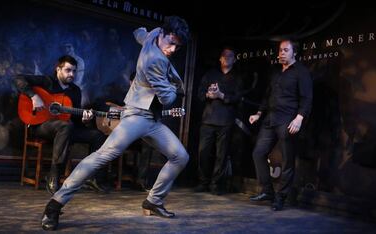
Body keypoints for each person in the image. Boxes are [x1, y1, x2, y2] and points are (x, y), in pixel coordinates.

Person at [40, 15, 190, 230]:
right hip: (137, 116)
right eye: (172, 43)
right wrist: (176, 88)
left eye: (178, 45)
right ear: (165, 35)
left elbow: (141, 33)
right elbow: (168, 99)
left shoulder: (156, 33)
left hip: (152, 119)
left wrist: (142, 35)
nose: (173, 49)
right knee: (102, 156)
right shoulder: (153, 61)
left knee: (180, 156)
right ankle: (54, 205)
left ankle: (153, 200)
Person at [13, 55, 109, 195]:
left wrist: (84, 120)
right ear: (58, 69)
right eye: (68, 70)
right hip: (40, 126)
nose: (72, 74)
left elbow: (74, 119)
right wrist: (34, 96)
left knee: (98, 135)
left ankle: (94, 178)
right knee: (65, 126)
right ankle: (54, 175)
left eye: (74, 71)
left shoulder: (75, 91)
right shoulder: (47, 82)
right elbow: (18, 79)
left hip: (65, 129)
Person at [248, 39, 313, 211]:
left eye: (285, 50)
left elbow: (307, 98)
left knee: (287, 161)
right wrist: (259, 113)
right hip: (270, 118)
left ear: (294, 52)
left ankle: (281, 197)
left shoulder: (301, 72)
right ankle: (267, 191)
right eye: (280, 50)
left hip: (288, 119)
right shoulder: (276, 71)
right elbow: (267, 95)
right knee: (258, 153)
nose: (281, 53)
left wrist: (299, 118)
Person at [194, 47, 243, 195]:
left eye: (230, 56)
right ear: (220, 58)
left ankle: (216, 184)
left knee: (221, 155)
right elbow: (200, 93)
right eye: (224, 56)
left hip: (226, 120)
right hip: (208, 119)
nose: (226, 58)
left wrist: (221, 95)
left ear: (234, 59)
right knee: (203, 152)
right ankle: (203, 182)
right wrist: (209, 94)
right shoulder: (211, 74)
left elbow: (237, 98)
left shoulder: (237, 78)